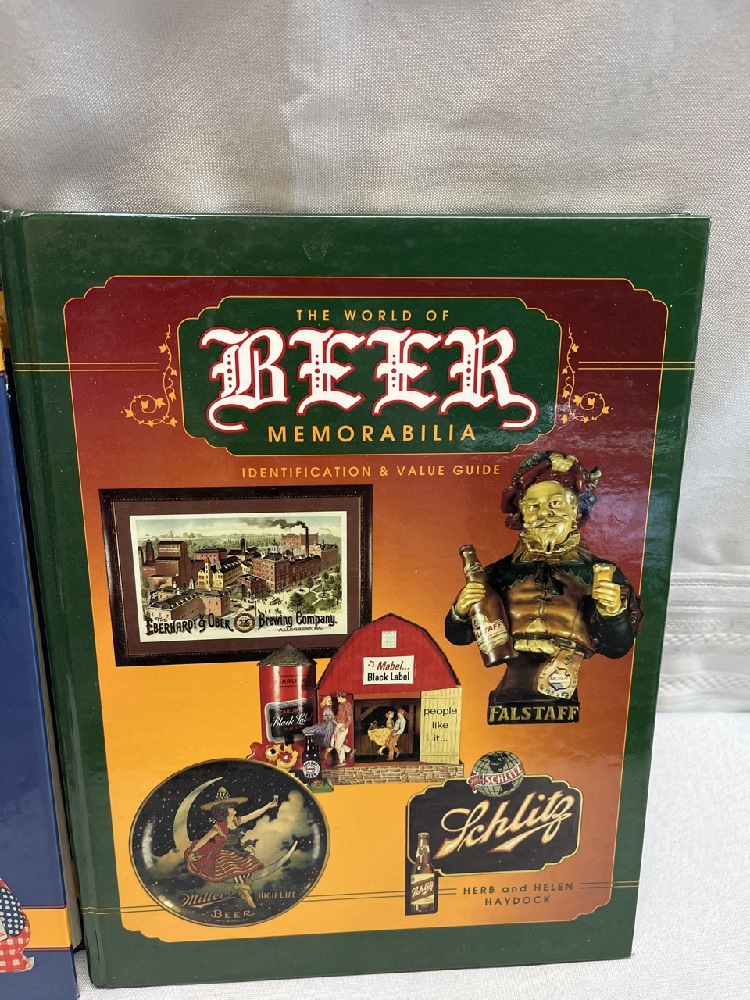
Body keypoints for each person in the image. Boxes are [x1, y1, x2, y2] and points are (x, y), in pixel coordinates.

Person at [446, 451, 643, 711]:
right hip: (509, 687)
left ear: (575, 509)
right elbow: (458, 637)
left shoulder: (601, 573)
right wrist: (460, 612)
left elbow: (617, 647)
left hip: (566, 685)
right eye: (533, 506)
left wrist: (613, 613)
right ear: (522, 514)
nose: (544, 514)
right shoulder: (498, 573)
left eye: (555, 503)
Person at [185, 787, 279, 907]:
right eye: (230, 807)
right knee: (235, 869)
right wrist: (193, 852)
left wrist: (268, 806)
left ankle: (244, 891)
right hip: (223, 853)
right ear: (224, 810)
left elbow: (252, 815)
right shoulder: (219, 826)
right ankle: (246, 894)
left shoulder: (236, 820)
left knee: (253, 865)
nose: (234, 808)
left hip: (237, 852)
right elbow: (204, 840)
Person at [332, 691, 353, 766]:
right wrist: (334, 718)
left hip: (342, 726)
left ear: (341, 697)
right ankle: (347, 754)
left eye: (338, 697)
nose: (337, 699)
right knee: (336, 744)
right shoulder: (340, 705)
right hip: (338, 725)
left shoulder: (347, 706)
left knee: (337, 745)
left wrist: (345, 726)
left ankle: (346, 754)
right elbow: (339, 716)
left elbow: (349, 719)